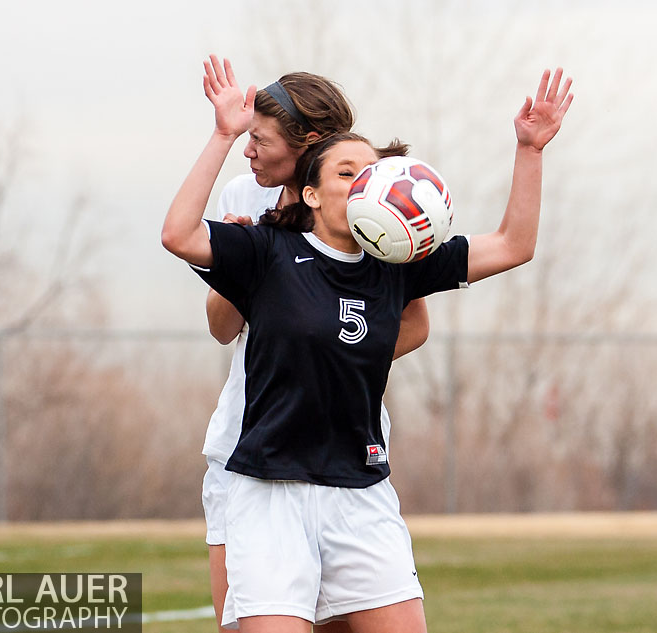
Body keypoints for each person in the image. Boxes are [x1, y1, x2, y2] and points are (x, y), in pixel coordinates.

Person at [162, 57, 572, 633]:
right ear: (309, 192)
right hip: (263, 479)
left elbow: (512, 244)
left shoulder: (393, 262)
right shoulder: (265, 248)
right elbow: (180, 240)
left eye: (372, 169)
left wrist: (530, 151)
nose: (367, 179)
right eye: (347, 172)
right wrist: (224, 136)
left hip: (359, 485)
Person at [194, 57, 429, 632]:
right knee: (241, 620)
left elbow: (416, 324)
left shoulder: (372, 207)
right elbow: (222, 328)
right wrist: (249, 265)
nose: (249, 150)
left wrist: (336, 355)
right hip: (249, 446)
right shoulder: (243, 195)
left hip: (346, 455)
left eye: (261, 139)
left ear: (311, 143)